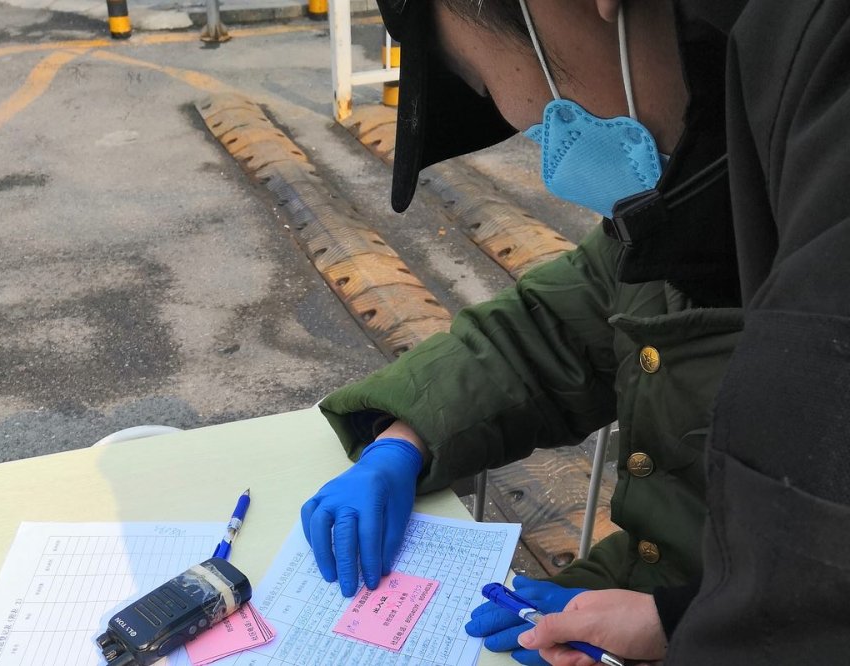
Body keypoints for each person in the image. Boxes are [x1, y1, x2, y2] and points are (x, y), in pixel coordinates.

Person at [302, 0, 850, 663]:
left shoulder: (823, 139)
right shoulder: (706, 183)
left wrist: (675, 622)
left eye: (479, 79)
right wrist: (405, 437)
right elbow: (556, 325)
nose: (519, 118)